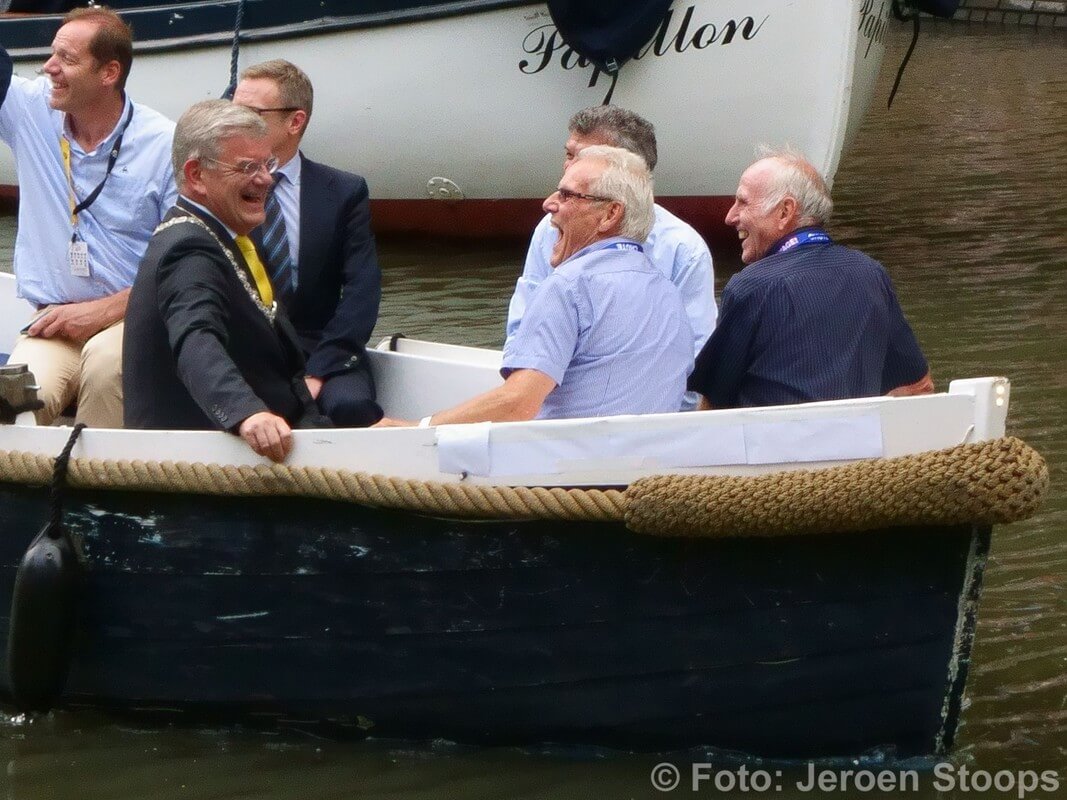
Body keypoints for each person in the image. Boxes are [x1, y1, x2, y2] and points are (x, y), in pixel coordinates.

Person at [376, 145, 691, 427]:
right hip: (647, 476)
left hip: (562, 477)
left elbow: (518, 404)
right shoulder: (669, 292)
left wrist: (418, 429)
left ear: (610, 214)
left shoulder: (569, 286)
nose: (548, 204)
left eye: (567, 195)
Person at [123, 100, 330, 462]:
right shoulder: (188, 249)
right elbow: (195, 338)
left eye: (267, 164)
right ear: (196, 175)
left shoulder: (227, 235)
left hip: (284, 444)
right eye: (247, 167)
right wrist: (246, 414)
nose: (266, 178)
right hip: (206, 473)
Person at [0, 6, 176, 427]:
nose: (49, 68)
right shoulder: (30, 110)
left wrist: (101, 311)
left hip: (130, 320)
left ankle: (97, 493)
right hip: (54, 322)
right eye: (51, 53)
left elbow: (185, 264)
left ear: (109, 73)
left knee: (103, 368)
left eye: (66, 59)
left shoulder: (163, 144)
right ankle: (34, 492)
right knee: (16, 399)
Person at [505, 105, 715, 408]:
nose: (569, 169)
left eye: (586, 159)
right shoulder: (550, 228)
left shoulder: (683, 249)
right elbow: (521, 330)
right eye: (568, 155)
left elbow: (694, 357)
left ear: (628, 170)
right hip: (557, 405)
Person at [688, 149, 933, 409]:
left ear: (785, 211)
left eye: (743, 202)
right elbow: (918, 387)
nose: (730, 216)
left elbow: (712, 409)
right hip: (858, 445)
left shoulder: (751, 287)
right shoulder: (871, 274)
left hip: (776, 447)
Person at [232, 60, 382, 427]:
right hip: (243, 352)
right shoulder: (218, 188)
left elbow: (363, 291)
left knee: (351, 409)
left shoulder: (344, 192)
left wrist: (319, 371)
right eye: (231, 110)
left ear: (295, 122)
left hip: (323, 350)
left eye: (250, 113)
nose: (234, 122)